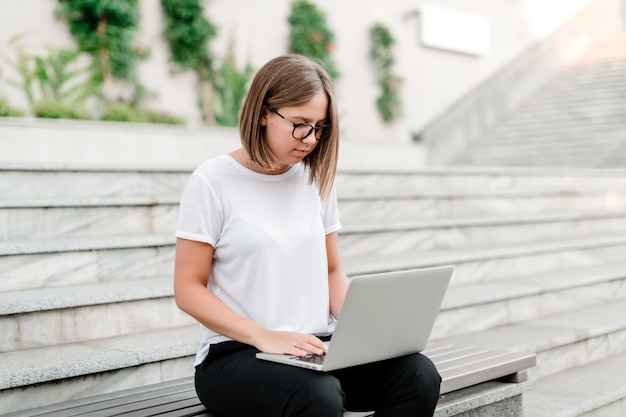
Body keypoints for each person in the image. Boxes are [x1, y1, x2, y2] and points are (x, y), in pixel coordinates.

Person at [173, 54, 441, 417]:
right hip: (238, 353)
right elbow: (188, 288)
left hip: (315, 349)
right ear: (264, 112)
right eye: (300, 124)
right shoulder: (212, 181)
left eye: (320, 127)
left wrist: (364, 334)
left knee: (418, 376)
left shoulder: (314, 181)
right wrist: (262, 335)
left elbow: (332, 270)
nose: (311, 139)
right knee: (319, 396)